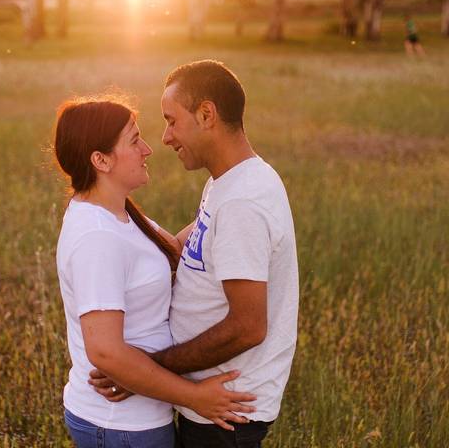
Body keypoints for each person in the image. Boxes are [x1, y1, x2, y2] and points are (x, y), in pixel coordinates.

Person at [90, 61, 299, 448]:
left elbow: (248, 326)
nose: (166, 137)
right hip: (210, 405)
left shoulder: (243, 203)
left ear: (206, 115)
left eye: (172, 121)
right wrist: (100, 210)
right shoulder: (229, 182)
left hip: (225, 411)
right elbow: (180, 245)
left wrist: (147, 368)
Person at [53, 96, 256, 448]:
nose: (147, 149)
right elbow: (106, 353)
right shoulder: (97, 238)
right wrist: (194, 397)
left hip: (138, 420)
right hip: (119, 426)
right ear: (100, 160)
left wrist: (233, 199)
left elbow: (171, 251)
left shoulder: (119, 212)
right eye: (134, 141)